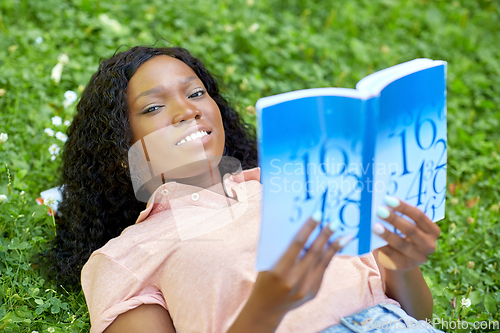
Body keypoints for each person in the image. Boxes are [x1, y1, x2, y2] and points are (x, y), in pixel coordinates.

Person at [49, 46, 443, 333]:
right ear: (122, 152)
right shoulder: (126, 255)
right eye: (153, 108)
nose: (188, 110)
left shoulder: (302, 184)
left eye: (196, 92)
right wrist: (266, 308)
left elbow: (417, 317)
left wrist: (400, 264)